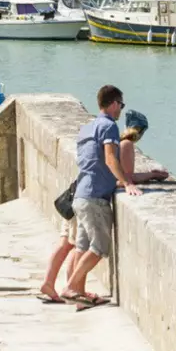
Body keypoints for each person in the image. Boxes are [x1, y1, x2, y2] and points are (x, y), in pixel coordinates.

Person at [39, 108, 165, 305]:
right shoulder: (125, 144)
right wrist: (150, 176)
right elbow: (123, 176)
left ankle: (62, 287)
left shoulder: (96, 132)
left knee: (71, 244)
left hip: (78, 194)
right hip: (90, 198)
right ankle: (72, 288)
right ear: (140, 131)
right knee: (81, 246)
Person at [57, 84, 139, 307]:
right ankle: (72, 287)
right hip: (95, 198)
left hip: (80, 196)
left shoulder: (87, 128)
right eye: (121, 105)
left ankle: (79, 294)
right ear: (113, 104)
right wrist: (127, 182)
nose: (121, 109)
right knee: (100, 247)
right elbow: (111, 159)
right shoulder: (108, 126)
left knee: (81, 247)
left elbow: (92, 162)